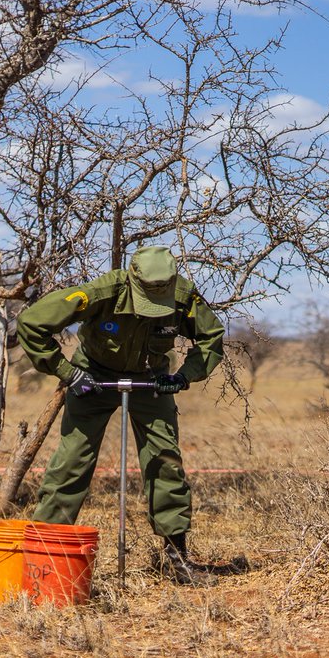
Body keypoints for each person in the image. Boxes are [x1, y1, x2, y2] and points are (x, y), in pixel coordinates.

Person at [17, 246, 225, 586]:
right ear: (132, 279)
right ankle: (44, 558)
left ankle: (177, 560)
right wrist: (67, 373)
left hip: (152, 380)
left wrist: (183, 375)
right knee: (72, 461)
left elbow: (212, 337)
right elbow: (31, 323)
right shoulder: (101, 293)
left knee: (165, 460)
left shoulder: (185, 297)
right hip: (93, 380)